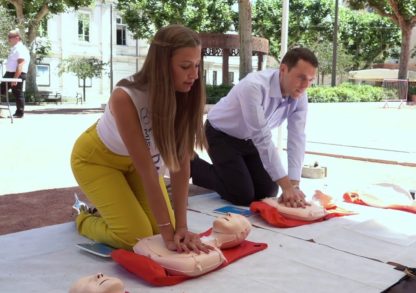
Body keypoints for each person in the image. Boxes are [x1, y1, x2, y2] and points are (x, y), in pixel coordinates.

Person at [70, 24, 210, 254]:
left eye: (197, 65)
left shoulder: (186, 94)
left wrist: (181, 227)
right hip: (96, 161)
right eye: (185, 66)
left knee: (165, 228)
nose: (194, 75)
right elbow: (148, 172)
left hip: (136, 165)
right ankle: (83, 215)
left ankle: (118, 209)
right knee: (136, 237)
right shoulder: (125, 97)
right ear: (162, 66)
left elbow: (181, 166)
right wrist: (169, 238)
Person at [191, 47, 318, 208]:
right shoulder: (254, 86)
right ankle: (190, 163)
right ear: (283, 69)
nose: (305, 85)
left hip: (249, 140)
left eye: (310, 80)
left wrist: (294, 184)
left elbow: (297, 137)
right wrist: (286, 186)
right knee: (242, 195)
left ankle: (231, 173)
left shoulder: (300, 93)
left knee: (268, 192)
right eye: (301, 78)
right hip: (221, 134)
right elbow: (262, 138)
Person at [0, 29, 30, 118]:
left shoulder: (20, 48)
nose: (8, 39)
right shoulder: (15, 48)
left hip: (17, 73)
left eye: (10, 37)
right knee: (1, 90)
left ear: (17, 38)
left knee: (17, 92)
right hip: (10, 73)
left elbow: (20, 64)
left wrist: (15, 78)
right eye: (8, 37)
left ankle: (19, 113)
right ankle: (2, 112)